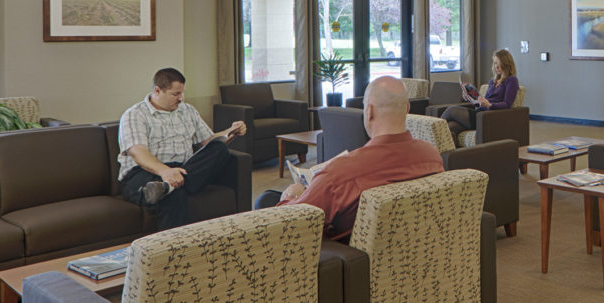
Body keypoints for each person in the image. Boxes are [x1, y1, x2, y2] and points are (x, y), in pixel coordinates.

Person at [258, 75, 442, 240]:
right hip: (404, 252)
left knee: (266, 199)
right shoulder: (432, 156)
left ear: (369, 111)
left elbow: (291, 226)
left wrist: (290, 195)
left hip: (339, 262)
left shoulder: (341, 173)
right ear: (407, 109)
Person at [118, 67, 246, 230]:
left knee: (219, 149)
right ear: (158, 90)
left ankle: (168, 186)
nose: (181, 98)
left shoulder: (187, 111)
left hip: (184, 169)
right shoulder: (135, 115)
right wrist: (165, 171)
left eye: (182, 93)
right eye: (176, 94)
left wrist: (230, 132)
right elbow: (138, 153)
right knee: (174, 194)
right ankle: (175, 251)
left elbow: (208, 141)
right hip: (143, 173)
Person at [440, 48, 520, 134]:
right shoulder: (492, 81)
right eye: (495, 63)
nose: (496, 66)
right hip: (480, 112)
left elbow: (507, 104)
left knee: (452, 110)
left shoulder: (512, 80)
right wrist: (469, 98)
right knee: (450, 127)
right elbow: (482, 103)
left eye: (498, 63)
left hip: (489, 116)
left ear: (505, 63)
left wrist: (490, 105)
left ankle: (432, 127)